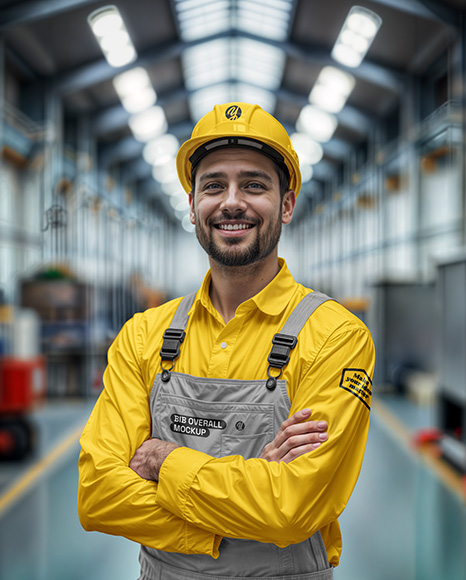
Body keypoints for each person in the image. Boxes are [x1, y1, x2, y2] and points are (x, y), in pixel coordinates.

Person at [78, 102, 375, 580]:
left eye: (254, 184)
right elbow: (98, 495)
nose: (231, 201)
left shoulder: (335, 336)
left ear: (286, 204)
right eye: (213, 185)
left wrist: (163, 458)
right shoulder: (143, 335)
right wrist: (232, 515)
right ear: (193, 205)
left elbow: (292, 509)